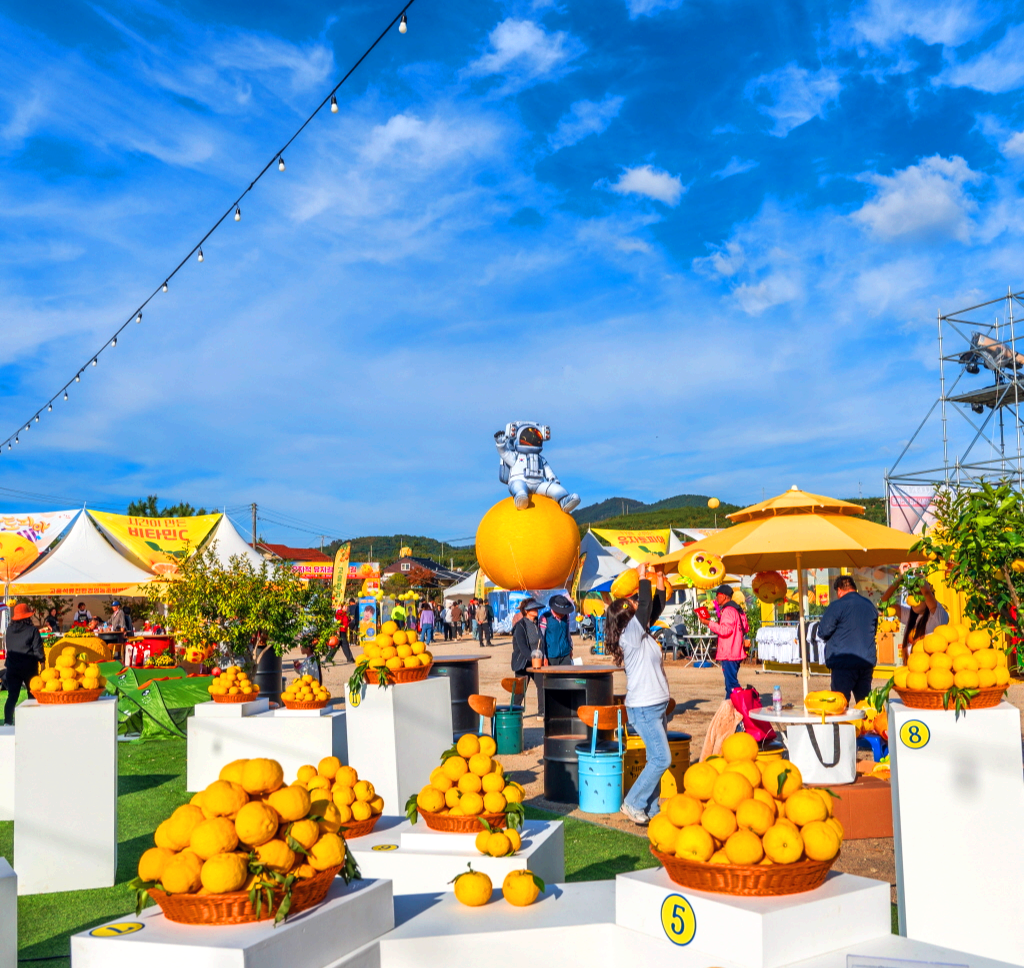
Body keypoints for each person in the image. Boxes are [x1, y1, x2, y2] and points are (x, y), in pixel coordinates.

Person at [605, 566, 670, 825]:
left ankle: (653, 811)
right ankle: (632, 803)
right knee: (661, 758)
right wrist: (643, 576)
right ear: (625, 615)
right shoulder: (629, 635)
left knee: (656, 759)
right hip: (643, 709)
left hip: (655, 706)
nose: (636, 602)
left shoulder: (639, 631)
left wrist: (660, 578)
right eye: (630, 602)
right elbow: (645, 605)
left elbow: (656, 606)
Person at [817, 575, 879, 703]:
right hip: (865, 662)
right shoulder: (870, 606)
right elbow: (873, 631)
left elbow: (823, 631)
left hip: (843, 662)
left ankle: (843, 724)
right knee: (865, 704)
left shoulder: (837, 606)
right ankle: (864, 723)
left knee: (840, 704)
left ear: (839, 590)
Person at [881, 576, 949, 662]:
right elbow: (884, 602)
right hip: (911, 668)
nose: (912, 598)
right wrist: (898, 581)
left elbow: (927, 593)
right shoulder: (910, 615)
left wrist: (918, 575)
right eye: (911, 594)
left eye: (917, 595)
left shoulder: (937, 616)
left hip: (930, 669)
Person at [698, 584, 749, 698]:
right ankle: (730, 709)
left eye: (718, 595)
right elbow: (746, 628)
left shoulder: (728, 611)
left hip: (729, 652)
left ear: (725, 597)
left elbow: (725, 630)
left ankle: (740, 706)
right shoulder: (738, 609)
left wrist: (708, 623)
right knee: (730, 685)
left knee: (732, 685)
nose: (716, 598)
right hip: (736, 651)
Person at [3, 603, 44, 725]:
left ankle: (8, 722)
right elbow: (38, 649)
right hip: (29, 667)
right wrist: (42, 664)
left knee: (12, 696)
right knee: (32, 694)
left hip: (12, 667)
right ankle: (32, 721)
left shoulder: (9, 630)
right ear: (28, 617)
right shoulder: (32, 630)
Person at [540, 594, 574, 665]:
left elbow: (567, 634)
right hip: (551, 656)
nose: (563, 614)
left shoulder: (566, 617)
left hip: (565, 655)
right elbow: (541, 639)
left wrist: (570, 648)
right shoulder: (545, 618)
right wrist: (544, 656)